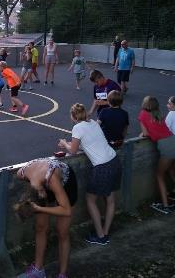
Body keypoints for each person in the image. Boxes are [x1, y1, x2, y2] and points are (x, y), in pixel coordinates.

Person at [58, 103, 121, 245]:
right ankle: (105, 232)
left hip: (102, 166)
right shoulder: (92, 122)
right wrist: (72, 144)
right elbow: (89, 141)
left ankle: (100, 236)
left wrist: (64, 143)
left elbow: (72, 151)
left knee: (90, 199)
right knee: (110, 200)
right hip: (114, 160)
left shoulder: (77, 128)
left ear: (73, 117)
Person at [16, 158, 77, 278]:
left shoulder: (52, 179)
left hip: (66, 184)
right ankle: (38, 270)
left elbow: (67, 211)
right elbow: (33, 190)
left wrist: (39, 209)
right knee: (40, 227)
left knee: (62, 231)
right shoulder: (21, 174)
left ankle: (62, 274)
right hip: (42, 182)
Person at [139, 96, 175, 215]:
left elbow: (145, 133)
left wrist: (143, 134)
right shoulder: (159, 113)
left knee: (159, 175)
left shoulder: (143, 114)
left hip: (167, 147)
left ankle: (165, 206)